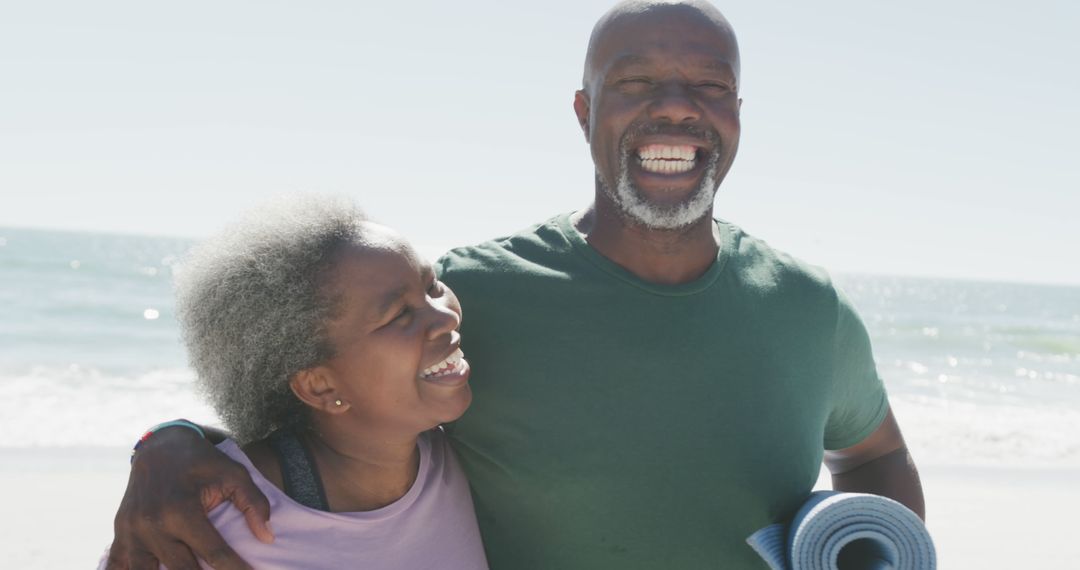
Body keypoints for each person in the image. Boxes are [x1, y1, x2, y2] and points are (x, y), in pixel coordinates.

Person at [106, 2, 924, 569]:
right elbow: (322, 406)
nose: (676, 108)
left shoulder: (811, 309)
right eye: (636, 83)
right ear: (583, 110)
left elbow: (875, 452)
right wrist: (168, 442)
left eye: (708, 85)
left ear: (738, 111)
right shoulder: (468, 297)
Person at [102, 197, 488, 569]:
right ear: (320, 387)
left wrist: (169, 435)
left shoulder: (470, 450)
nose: (445, 318)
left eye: (432, 286)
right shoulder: (214, 533)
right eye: (400, 314)